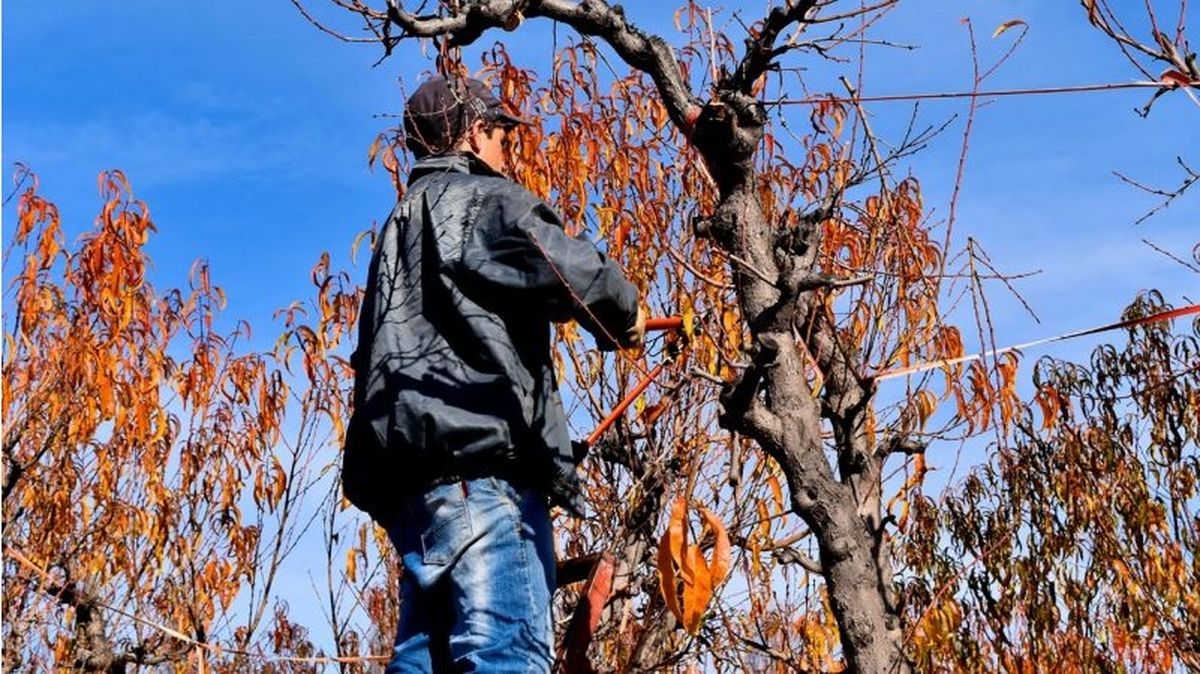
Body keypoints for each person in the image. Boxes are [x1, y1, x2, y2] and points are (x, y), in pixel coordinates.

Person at [342, 74, 645, 673]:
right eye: (503, 134)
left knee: (422, 661)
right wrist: (624, 311)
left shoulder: (396, 231)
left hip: (415, 498)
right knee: (504, 657)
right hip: (482, 481)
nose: (509, 149)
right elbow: (569, 270)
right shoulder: (483, 201)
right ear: (475, 132)